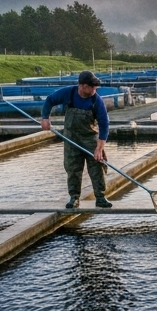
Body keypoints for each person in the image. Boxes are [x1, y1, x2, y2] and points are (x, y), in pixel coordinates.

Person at [41, 70, 113, 209]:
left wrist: (99, 148)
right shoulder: (69, 93)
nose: (94, 90)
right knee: (73, 169)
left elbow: (104, 124)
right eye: (92, 87)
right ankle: (74, 198)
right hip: (71, 137)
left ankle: (100, 197)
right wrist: (45, 118)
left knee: (97, 167)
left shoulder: (96, 100)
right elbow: (50, 100)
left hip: (89, 137)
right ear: (82, 86)